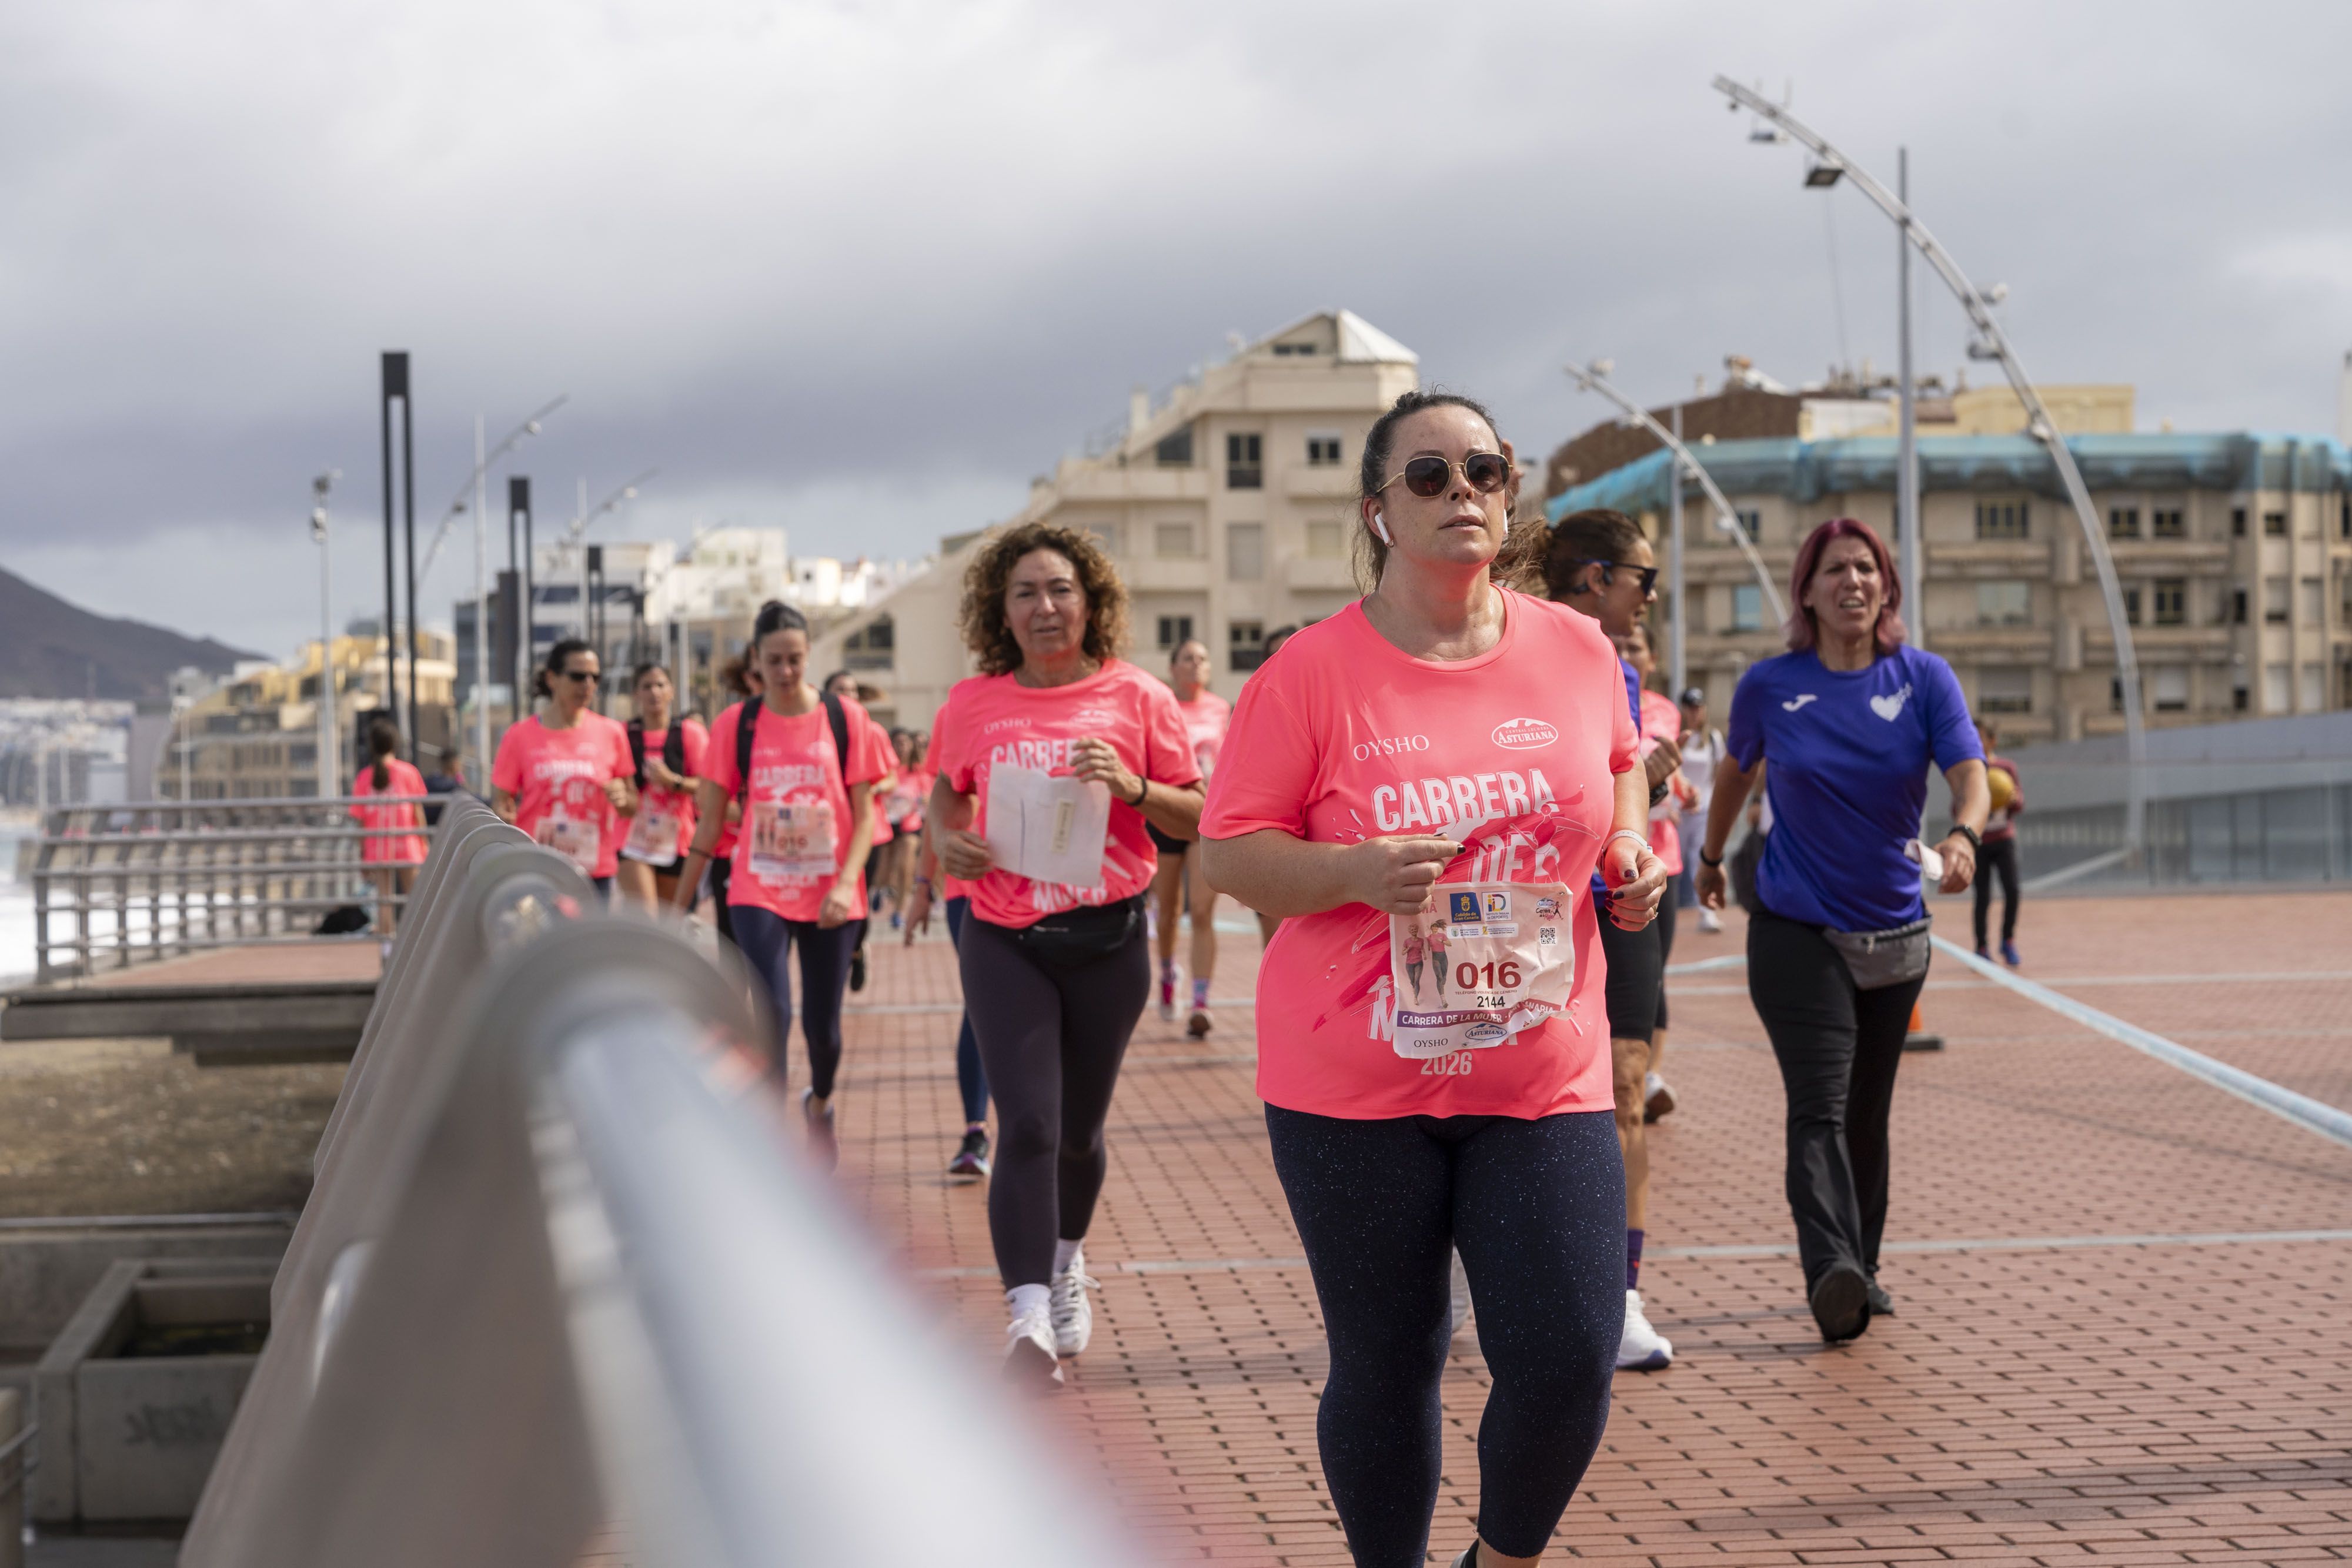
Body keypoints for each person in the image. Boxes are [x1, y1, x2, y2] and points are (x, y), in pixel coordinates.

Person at [1202, 390, 1663, 1568]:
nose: (1461, 490)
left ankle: (1498, 1557)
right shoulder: (1308, 674)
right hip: (1352, 1083)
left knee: (1568, 1349)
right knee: (1389, 1359)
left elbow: (1619, 767)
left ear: (1508, 496)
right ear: (1376, 512)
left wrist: (1623, 846)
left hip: (1538, 1067)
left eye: (1484, 469)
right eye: (1426, 476)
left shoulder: (1574, 644)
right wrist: (1354, 868)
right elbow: (1227, 851)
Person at [1694, 517, 1987, 1342]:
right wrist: (1712, 855)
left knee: (1868, 1110)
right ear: (1807, 591)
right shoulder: (1770, 684)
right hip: (1797, 925)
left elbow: (1972, 775)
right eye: (1834, 570)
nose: (1852, 582)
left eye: (1866, 568)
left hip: (1897, 932)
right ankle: (1832, 1269)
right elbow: (1735, 771)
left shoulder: (1924, 677)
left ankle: (1866, 1265)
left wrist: (1963, 831)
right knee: (1819, 1105)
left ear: (1886, 586)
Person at [926, 522, 1203, 1389]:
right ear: (999, 613)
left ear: (1091, 602)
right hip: (1003, 934)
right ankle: (1028, 1315)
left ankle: (1068, 1258)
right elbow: (943, 794)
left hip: (1108, 938)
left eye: (1060, 590)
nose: (1045, 607)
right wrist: (948, 838)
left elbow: (1195, 815)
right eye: (1024, 594)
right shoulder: (972, 703)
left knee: (1079, 1132)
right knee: (1031, 1124)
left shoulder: (1139, 697)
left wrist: (1132, 786)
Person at [676, 604, 890, 1167]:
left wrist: (847, 885)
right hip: (759, 884)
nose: (786, 670)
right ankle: (771, 1148)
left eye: (796, 659)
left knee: (825, 1033)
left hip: (830, 891)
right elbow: (709, 819)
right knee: (771, 1012)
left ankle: (819, 1103)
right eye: (774, 660)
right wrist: (677, 904)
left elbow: (866, 817)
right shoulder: (737, 724)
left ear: (808, 655)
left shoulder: (845, 719)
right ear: (756, 660)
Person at [1544, 507, 1682, 1372]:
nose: (1651, 598)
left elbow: (1623, 773)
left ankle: (1622, 1297)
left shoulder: (1620, 668)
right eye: (1645, 579)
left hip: (1619, 898)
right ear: (1595, 577)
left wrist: (1637, 833)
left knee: (1628, 1086)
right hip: (1526, 906)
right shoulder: (1516, 639)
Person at [1616, 626, 1691, 1128]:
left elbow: (1674, 777)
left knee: (1655, 975)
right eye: (1620, 645)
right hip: (1608, 866)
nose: (1626, 653)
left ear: (1653, 658)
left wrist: (1666, 781)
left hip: (1663, 860)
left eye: (1636, 647)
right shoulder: (1594, 692)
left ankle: (1651, 1074)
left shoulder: (1663, 709)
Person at [490, 638, 636, 895]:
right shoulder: (519, 735)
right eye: (578, 676)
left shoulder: (612, 733)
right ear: (552, 679)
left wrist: (622, 798)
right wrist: (505, 816)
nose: (588, 685)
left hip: (594, 872)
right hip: (537, 868)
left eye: (595, 677)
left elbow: (631, 807)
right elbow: (501, 803)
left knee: (591, 937)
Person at [1149, 638, 1231, 1037]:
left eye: (1202, 658)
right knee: (1167, 911)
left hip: (1206, 817)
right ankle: (1167, 971)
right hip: (1167, 813)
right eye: (1187, 659)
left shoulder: (1221, 710)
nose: (1196, 665)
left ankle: (1200, 1002)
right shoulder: (1162, 706)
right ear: (1173, 667)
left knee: (1202, 912)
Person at [904, 827, 993, 1182]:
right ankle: (976, 1132)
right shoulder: (952, 766)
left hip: (1042, 887)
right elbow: (938, 811)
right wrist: (922, 887)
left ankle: (1049, 1130)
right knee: (982, 999)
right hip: (970, 887)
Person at [614, 662, 708, 914]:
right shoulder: (622, 733)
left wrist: (673, 781)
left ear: (672, 691)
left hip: (676, 839)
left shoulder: (691, 733)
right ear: (636, 693)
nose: (654, 692)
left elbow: (707, 786)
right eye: (646, 686)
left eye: (660, 685)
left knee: (670, 924)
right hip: (631, 838)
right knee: (647, 916)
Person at [353, 717, 427, 938]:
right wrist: (425, 843)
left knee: (384, 899)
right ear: (395, 743)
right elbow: (418, 812)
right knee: (415, 897)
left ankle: (386, 946)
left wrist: (362, 853)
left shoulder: (364, 777)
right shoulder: (409, 772)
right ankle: (416, 942)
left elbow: (360, 820)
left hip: (378, 846)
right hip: (407, 842)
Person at [1675, 686, 1727, 934]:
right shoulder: (1677, 736)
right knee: (1672, 864)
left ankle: (1707, 912)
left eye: (1699, 707)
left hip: (1703, 809)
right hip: (1677, 811)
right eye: (1690, 708)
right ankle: (1662, 913)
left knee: (1701, 860)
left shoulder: (1714, 738)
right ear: (1684, 710)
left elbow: (1719, 773)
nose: (1695, 713)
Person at [1974, 719, 2023, 966]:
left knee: (2013, 890)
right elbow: (1957, 807)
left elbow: (2020, 804)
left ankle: (2008, 941)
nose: (1976, 741)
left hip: (2004, 840)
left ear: (1992, 741)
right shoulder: (1970, 769)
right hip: (1980, 843)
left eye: (1980, 737)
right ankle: (1981, 947)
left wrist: (2012, 799)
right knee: (1982, 897)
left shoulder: (2006, 768)